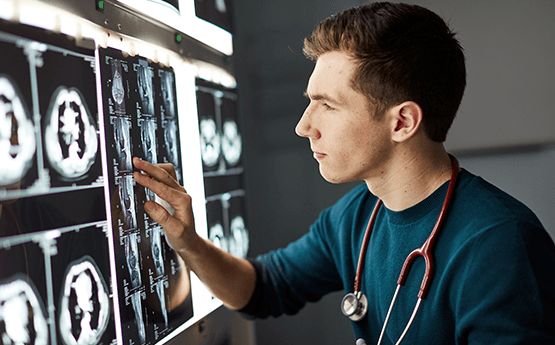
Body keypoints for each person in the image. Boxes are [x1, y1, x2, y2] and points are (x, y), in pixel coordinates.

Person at [132, 2, 555, 344]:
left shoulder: (499, 245)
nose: (304, 126)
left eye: (327, 105)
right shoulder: (359, 216)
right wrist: (188, 242)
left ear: (402, 122)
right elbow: (262, 289)